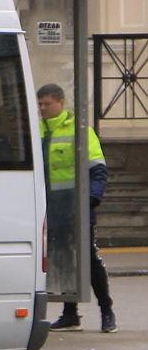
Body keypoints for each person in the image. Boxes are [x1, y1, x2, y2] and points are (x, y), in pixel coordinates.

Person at [39, 83, 117, 333]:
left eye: (46, 103)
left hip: (76, 207)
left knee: (88, 259)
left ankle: (107, 310)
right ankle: (70, 313)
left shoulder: (80, 130)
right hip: (50, 209)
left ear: (61, 104)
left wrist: (92, 198)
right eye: (39, 104)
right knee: (61, 261)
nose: (42, 108)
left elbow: (97, 169)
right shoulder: (35, 129)